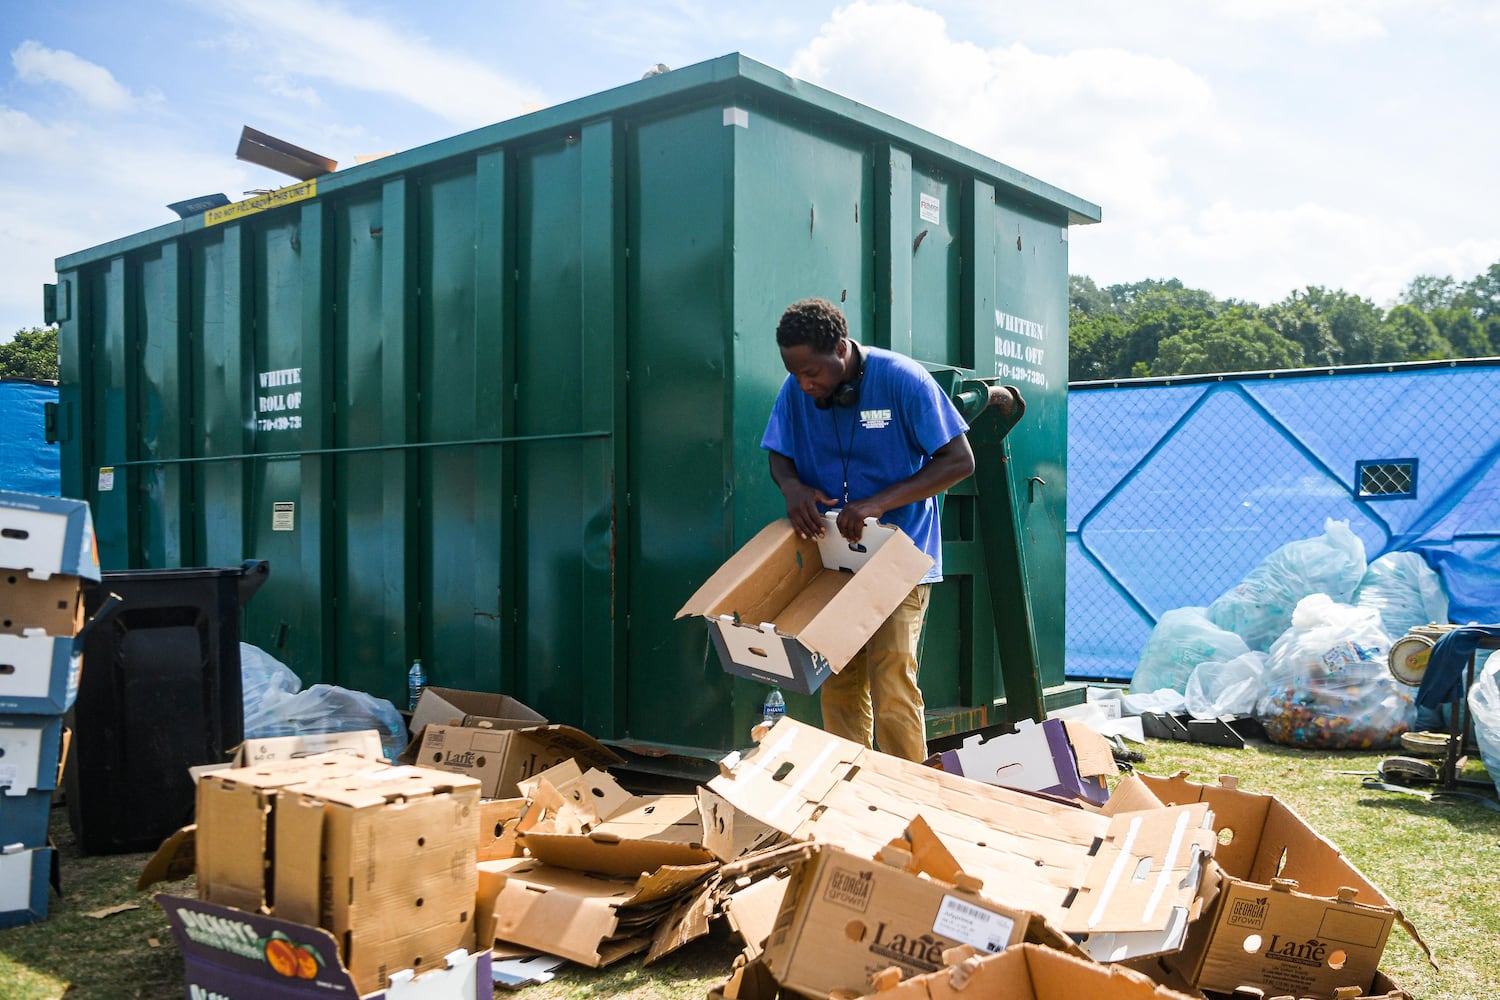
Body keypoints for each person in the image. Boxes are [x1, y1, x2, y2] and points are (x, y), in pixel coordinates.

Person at [760, 296, 975, 762]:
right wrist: (792, 488)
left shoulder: (903, 379)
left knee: (892, 680)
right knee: (838, 680)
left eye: (812, 373)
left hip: (900, 558)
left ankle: (907, 797)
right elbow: (779, 453)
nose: (803, 383)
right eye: (794, 373)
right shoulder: (795, 389)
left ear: (840, 350)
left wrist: (878, 503)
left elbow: (960, 460)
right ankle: (848, 792)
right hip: (836, 561)